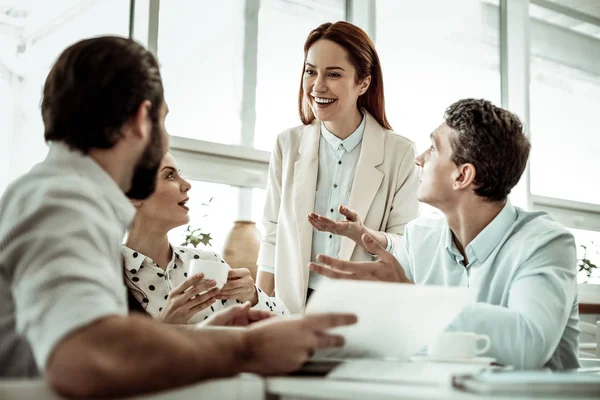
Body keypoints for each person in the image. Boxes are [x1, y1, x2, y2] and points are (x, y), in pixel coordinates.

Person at [0, 36, 357, 397]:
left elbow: (91, 343)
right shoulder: (63, 200)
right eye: (163, 120)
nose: (165, 140)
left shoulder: (58, 195)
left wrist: (201, 337)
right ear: (142, 119)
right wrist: (246, 349)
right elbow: (86, 358)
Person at [309, 98, 580, 370]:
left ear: (462, 176)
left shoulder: (545, 244)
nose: (420, 158)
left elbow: (528, 345)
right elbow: (392, 333)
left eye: (434, 148)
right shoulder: (418, 238)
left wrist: (413, 298)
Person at [256, 21, 419, 313]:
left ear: (363, 83)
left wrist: (366, 235)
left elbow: (406, 245)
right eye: (310, 71)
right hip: (294, 306)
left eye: (333, 74)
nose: (317, 86)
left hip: (363, 309)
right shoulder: (287, 144)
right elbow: (272, 235)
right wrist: (258, 309)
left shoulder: (399, 152)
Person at [123, 152, 288, 323]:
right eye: (169, 175)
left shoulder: (209, 262)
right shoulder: (105, 276)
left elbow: (285, 324)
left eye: (180, 174)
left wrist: (253, 297)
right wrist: (165, 326)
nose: (187, 185)